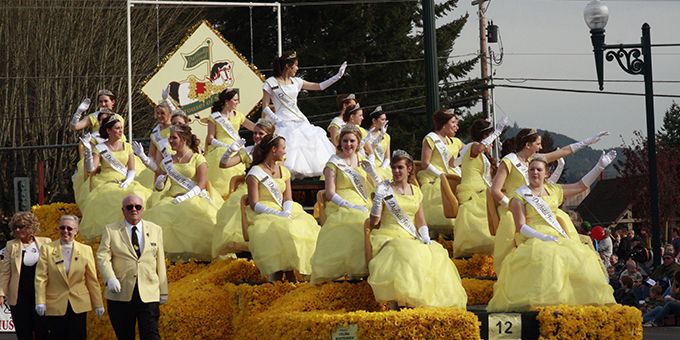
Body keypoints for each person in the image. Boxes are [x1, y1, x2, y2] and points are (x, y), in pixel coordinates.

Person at [487, 154, 617, 312]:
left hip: (557, 236)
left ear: (546, 173)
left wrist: (599, 167)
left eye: (539, 169)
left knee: (580, 258)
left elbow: (580, 187)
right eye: (532, 169)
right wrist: (542, 237)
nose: (535, 172)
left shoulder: (554, 190)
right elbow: (520, 226)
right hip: (533, 237)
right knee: (548, 257)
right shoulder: (519, 195)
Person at [491, 128, 608, 272]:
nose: (540, 147)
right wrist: (513, 206)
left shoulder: (536, 161)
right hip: (518, 208)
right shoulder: (510, 161)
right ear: (528, 145)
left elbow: (565, 152)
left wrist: (588, 141)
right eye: (538, 144)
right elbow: (495, 190)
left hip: (542, 209)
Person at [366, 150, 467, 309]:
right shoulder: (385, 189)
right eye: (394, 167)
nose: (396, 171)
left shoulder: (416, 191)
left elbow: (420, 220)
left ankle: (424, 303)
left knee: (436, 252)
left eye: (400, 167)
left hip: (410, 236)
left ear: (409, 169)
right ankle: (401, 304)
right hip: (388, 236)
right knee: (405, 252)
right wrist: (378, 200)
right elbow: (374, 221)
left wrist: (425, 236)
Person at [245, 133, 321, 281]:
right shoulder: (255, 173)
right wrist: (276, 213)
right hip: (264, 212)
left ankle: (291, 274)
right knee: (283, 228)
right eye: (283, 148)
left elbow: (288, 197)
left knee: (301, 225)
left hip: (283, 209)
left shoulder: (283, 171)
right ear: (274, 149)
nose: (285, 152)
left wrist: (286, 210)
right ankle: (279, 277)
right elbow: (254, 203)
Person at [260, 51, 344, 178]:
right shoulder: (270, 82)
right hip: (283, 123)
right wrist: (276, 120)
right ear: (288, 66)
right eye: (296, 65)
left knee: (313, 144)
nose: (297, 68)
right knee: (287, 150)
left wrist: (337, 76)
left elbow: (319, 86)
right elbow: (265, 106)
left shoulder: (297, 82)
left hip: (300, 121)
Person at [144, 124, 223, 261]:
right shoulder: (167, 161)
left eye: (174, 138)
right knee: (158, 216)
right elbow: (160, 186)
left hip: (194, 198)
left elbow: (202, 183)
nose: (170, 141)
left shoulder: (198, 158)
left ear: (184, 140)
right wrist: (159, 184)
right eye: (170, 138)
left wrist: (186, 197)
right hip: (171, 198)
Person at [97, 195, 168, 340]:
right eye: (129, 207)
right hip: (120, 294)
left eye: (137, 206)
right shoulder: (111, 230)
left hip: (148, 293)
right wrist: (110, 278)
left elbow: (160, 260)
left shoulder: (156, 229)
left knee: (151, 335)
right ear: (123, 210)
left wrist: (163, 290)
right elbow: (102, 256)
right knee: (124, 336)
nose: (134, 209)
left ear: (143, 209)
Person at [310, 125, 371, 285]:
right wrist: (348, 205)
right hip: (341, 204)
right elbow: (329, 193)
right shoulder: (333, 163)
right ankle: (353, 272)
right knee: (358, 221)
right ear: (340, 142)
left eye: (352, 141)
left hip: (364, 201)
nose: (348, 144)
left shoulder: (362, 161)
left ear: (358, 142)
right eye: (345, 141)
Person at [79, 116, 152, 239]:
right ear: (108, 130)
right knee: (110, 198)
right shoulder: (100, 148)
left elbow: (132, 169)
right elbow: (92, 169)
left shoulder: (127, 146)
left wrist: (128, 180)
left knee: (137, 194)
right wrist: (87, 150)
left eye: (121, 128)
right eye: (117, 128)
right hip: (106, 181)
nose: (120, 131)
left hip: (125, 180)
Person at [212, 119, 275, 258]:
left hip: (267, 190)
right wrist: (230, 151)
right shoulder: (248, 151)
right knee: (236, 207)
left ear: (269, 136)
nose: (257, 136)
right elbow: (224, 164)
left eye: (261, 134)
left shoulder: (274, 153)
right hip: (247, 189)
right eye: (255, 133)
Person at [34, 215, 104, 340]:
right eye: (62, 228)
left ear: (76, 231)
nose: (65, 231)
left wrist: (98, 304)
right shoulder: (47, 249)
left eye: (69, 228)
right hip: (55, 303)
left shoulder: (85, 250)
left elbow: (92, 280)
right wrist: (40, 301)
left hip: (78, 303)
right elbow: (41, 277)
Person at [451, 118, 505, 257]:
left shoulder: (485, 156)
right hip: (471, 191)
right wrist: (496, 132)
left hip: (482, 190)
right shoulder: (472, 147)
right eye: (490, 136)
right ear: (485, 136)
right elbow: (480, 147)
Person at [0, 212, 50, 340]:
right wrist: (1, 294)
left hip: (41, 295)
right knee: (23, 332)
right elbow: (5, 272)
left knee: (42, 330)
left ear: (31, 227)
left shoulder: (46, 243)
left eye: (21, 226)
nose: (17, 230)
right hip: (19, 297)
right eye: (15, 227)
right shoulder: (11, 245)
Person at [205, 88, 256, 197]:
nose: (237, 102)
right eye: (235, 100)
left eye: (237, 100)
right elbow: (210, 138)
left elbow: (254, 128)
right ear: (226, 102)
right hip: (219, 149)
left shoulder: (239, 115)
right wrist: (224, 146)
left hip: (237, 148)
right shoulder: (214, 117)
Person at [363, 106, 391, 180]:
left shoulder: (387, 136)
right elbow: (369, 151)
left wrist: (383, 168)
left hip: (384, 166)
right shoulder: (365, 134)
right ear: (374, 120)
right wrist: (380, 136)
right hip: (370, 165)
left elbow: (387, 157)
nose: (385, 122)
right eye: (382, 119)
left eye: (385, 119)